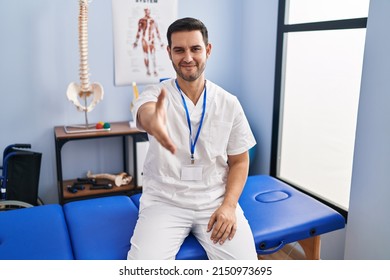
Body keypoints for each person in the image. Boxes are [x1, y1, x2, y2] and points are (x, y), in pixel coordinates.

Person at [128, 17, 257, 260]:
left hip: (215, 200)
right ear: (169, 53)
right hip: (165, 202)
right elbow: (145, 112)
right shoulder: (156, 94)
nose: (187, 57)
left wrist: (229, 206)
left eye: (195, 48)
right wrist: (152, 121)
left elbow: (239, 161)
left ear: (207, 50)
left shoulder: (229, 103)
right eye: (179, 50)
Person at [133, 8, 164, 77]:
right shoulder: (141, 20)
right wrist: (136, 42)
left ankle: (155, 70)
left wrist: (161, 42)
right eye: (146, 11)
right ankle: (147, 70)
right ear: (144, 12)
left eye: (148, 11)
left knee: (153, 56)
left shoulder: (153, 21)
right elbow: (139, 31)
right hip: (144, 40)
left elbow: (157, 31)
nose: (147, 12)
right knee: (146, 56)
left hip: (151, 40)